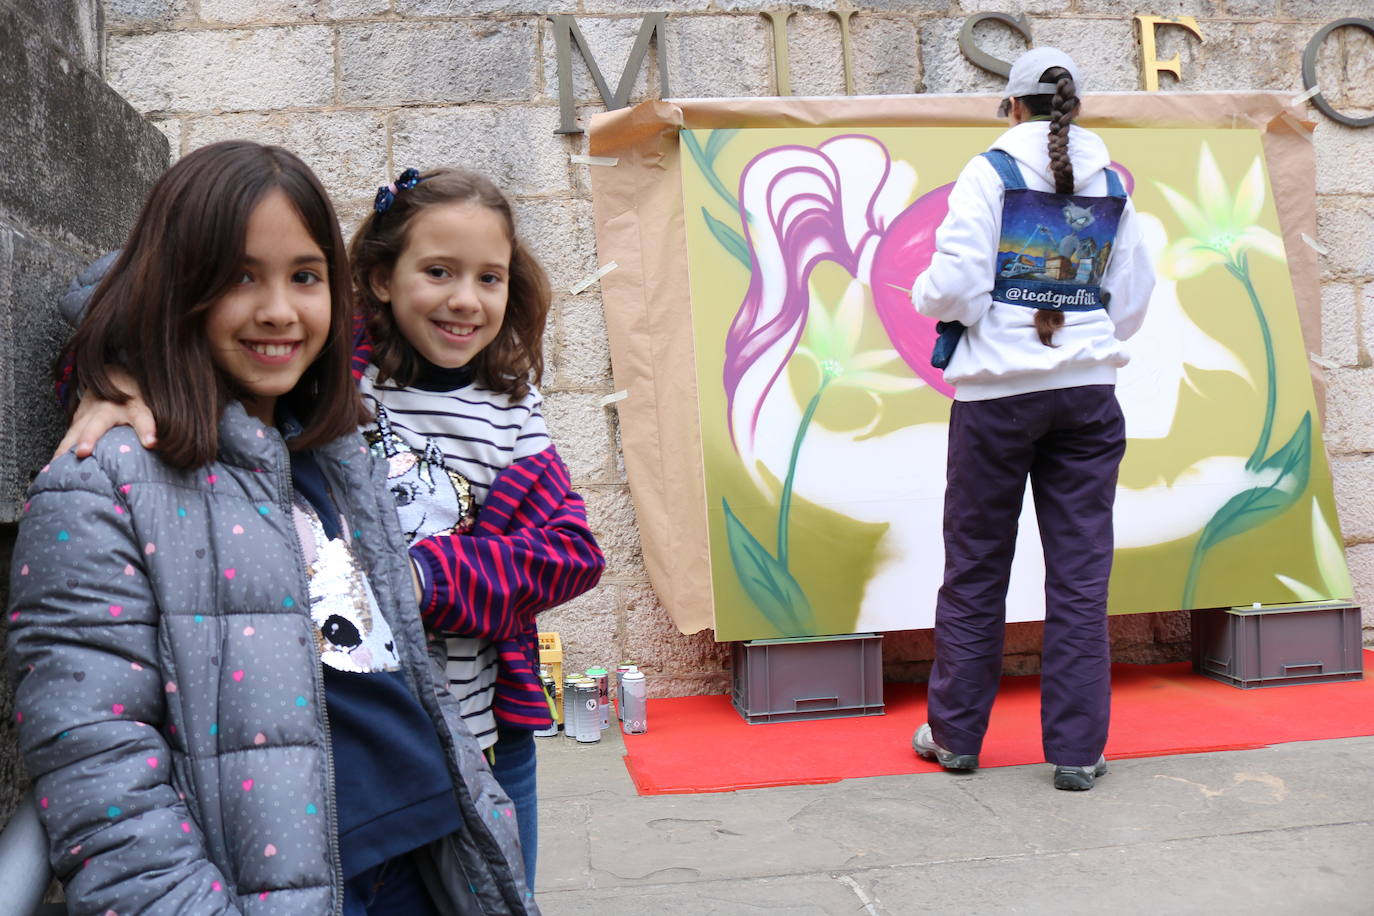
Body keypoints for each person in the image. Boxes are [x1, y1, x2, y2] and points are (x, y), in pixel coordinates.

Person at [8, 141, 537, 914]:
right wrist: (113, 355)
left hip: (433, 860)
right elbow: (97, 764)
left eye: (305, 277)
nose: (279, 310)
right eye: (238, 277)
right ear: (178, 287)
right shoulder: (102, 479)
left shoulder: (335, 449)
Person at [908, 48, 1155, 791]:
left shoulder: (990, 174)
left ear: (1011, 107)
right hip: (1088, 398)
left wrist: (927, 295)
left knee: (978, 566)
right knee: (1081, 576)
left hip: (997, 401)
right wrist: (1080, 334)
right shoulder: (1111, 182)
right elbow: (1133, 297)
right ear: (1074, 108)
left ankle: (955, 736)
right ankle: (1078, 752)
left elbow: (955, 285)